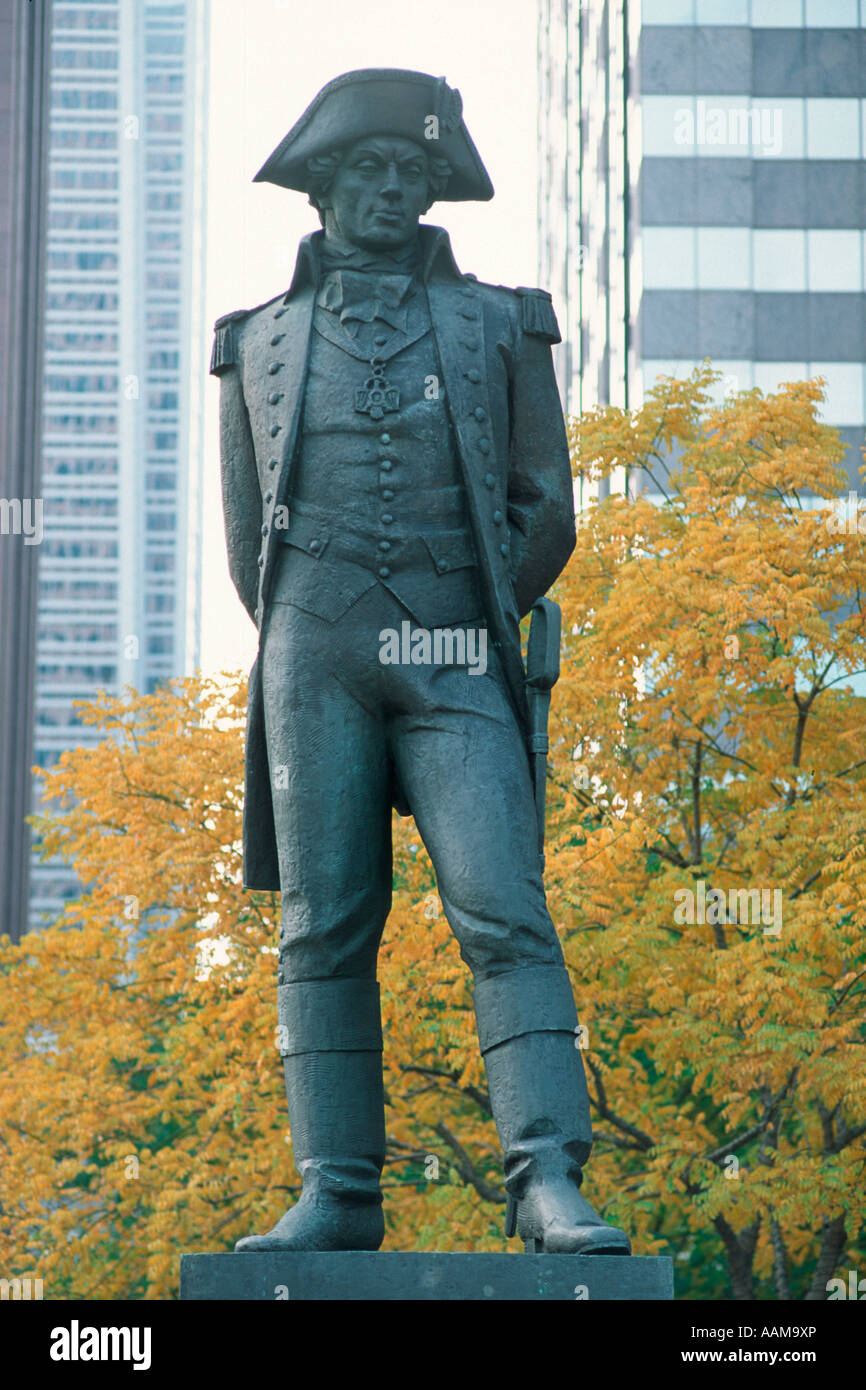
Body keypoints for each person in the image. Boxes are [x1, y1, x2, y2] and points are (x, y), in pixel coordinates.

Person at [212, 68, 630, 1256]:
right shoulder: (253, 341)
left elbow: (543, 504)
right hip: (315, 648)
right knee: (322, 920)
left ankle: (546, 1174)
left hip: (453, 646)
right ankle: (337, 1187)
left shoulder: (502, 322)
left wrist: (466, 594)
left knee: (502, 904)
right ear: (324, 188)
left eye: (413, 174)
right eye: (369, 173)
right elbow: (249, 543)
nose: (392, 192)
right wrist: (313, 629)